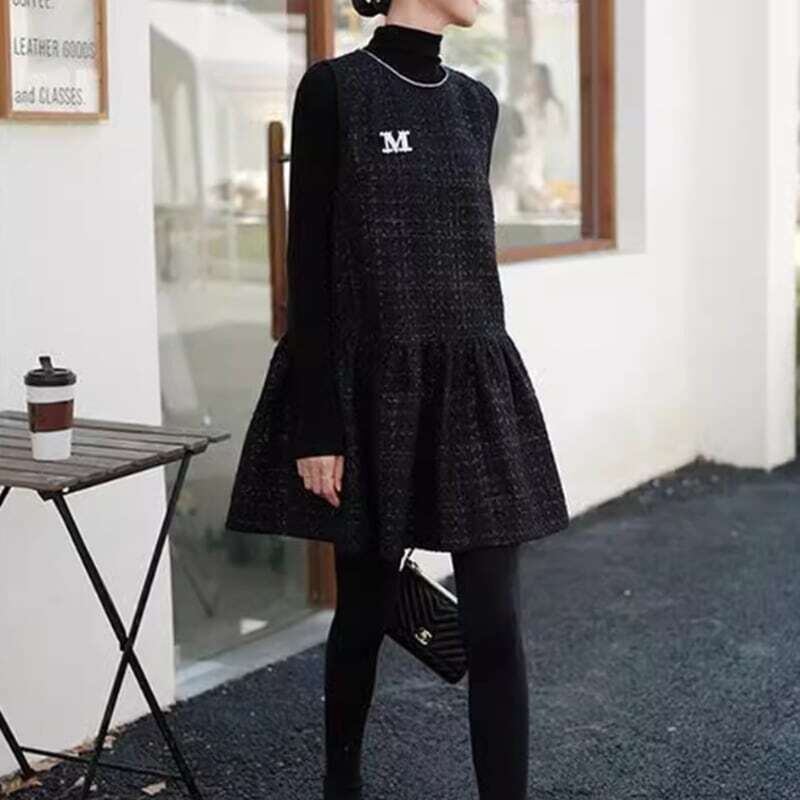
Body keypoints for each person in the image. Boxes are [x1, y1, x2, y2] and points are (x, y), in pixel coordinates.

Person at [224, 2, 571, 798]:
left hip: (472, 386)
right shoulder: (335, 91)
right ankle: (340, 784)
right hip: (370, 390)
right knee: (363, 611)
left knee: (496, 622)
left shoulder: (477, 105)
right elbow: (309, 268)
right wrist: (318, 424)